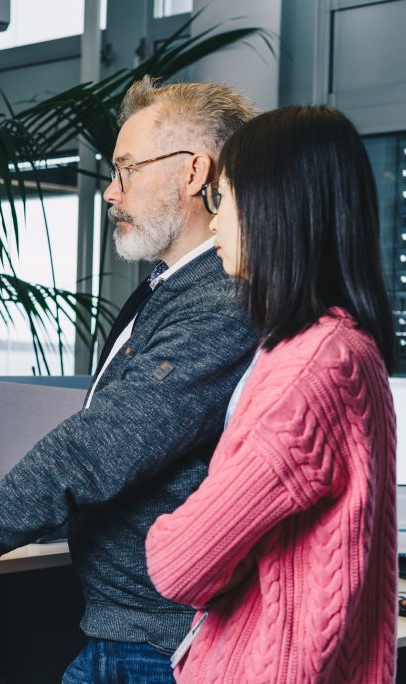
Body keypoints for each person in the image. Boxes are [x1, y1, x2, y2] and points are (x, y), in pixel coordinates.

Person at [0, 76, 259, 681]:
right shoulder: (170, 290)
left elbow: (101, 448)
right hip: (127, 626)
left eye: (127, 169)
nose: (110, 191)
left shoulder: (218, 302)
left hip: (162, 642)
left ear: (192, 174)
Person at [144, 105, 398, 682]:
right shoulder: (348, 348)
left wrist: (173, 529)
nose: (213, 224)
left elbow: (177, 564)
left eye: (225, 198)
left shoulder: (309, 371)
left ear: (276, 208)